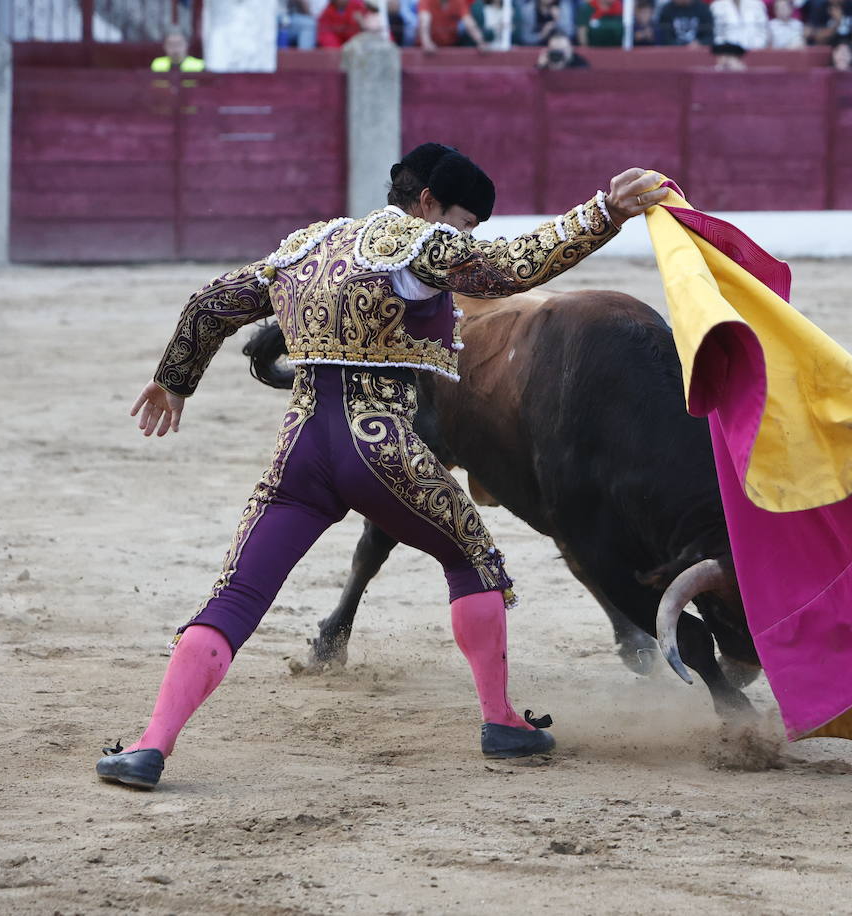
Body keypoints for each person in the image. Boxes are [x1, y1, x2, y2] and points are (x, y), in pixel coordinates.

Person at [95, 147, 670, 790]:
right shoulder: (412, 244)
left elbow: (209, 304)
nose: (465, 238)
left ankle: (150, 746)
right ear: (427, 202)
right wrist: (604, 212)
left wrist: (173, 381)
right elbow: (508, 269)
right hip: (380, 445)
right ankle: (502, 722)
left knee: (235, 596)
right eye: (463, 223)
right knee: (472, 558)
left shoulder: (306, 245)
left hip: (301, 449)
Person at [419, 0, 487, 48]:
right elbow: (424, 21)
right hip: (429, 44)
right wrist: (426, 42)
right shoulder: (426, 1)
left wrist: (481, 42)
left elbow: (469, 23)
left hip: (451, 43)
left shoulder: (458, 2)